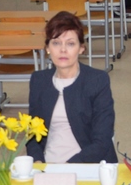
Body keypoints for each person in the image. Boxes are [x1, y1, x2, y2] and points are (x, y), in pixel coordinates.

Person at [26, 11, 115, 163]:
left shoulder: (97, 80)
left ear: (81, 48)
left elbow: (102, 141)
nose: (63, 50)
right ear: (47, 48)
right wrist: (38, 161)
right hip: (48, 163)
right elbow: (33, 135)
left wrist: (68, 167)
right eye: (56, 43)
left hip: (87, 163)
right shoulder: (39, 80)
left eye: (70, 43)